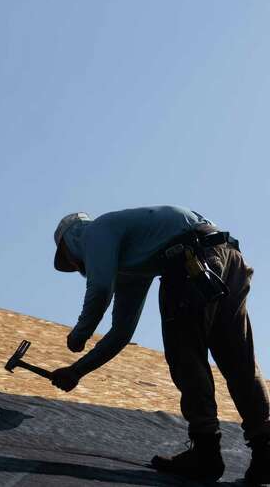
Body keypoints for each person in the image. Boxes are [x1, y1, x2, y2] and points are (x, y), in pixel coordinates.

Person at [49, 206, 269, 484]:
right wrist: (77, 371)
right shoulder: (136, 263)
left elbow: (101, 288)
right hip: (225, 256)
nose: (78, 269)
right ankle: (265, 450)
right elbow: (121, 332)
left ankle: (206, 452)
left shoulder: (94, 231)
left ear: (70, 241)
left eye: (71, 260)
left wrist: (80, 333)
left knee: (185, 354)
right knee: (238, 358)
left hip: (191, 261)